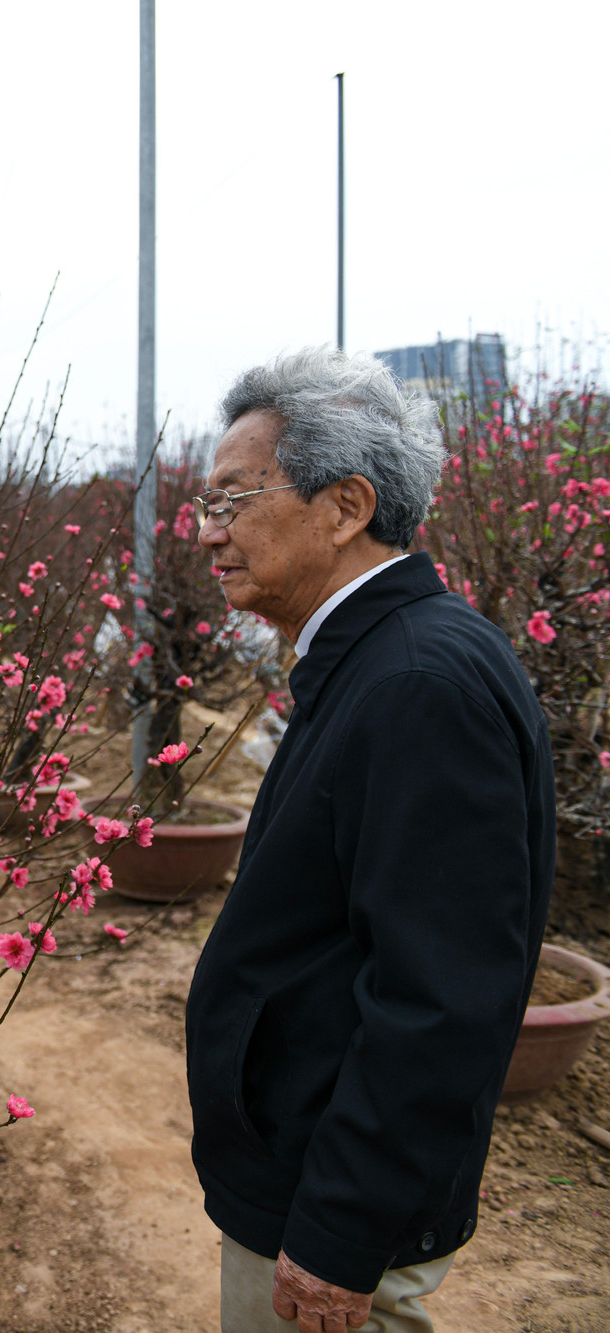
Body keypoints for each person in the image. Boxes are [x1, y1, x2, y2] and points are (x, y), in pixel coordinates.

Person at [183, 347, 554, 1332]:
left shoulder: (414, 685)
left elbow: (439, 997)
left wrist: (340, 1230)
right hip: (303, 1163)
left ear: (342, 507)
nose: (207, 535)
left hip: (327, 1200)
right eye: (203, 507)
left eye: (231, 501)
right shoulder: (375, 660)